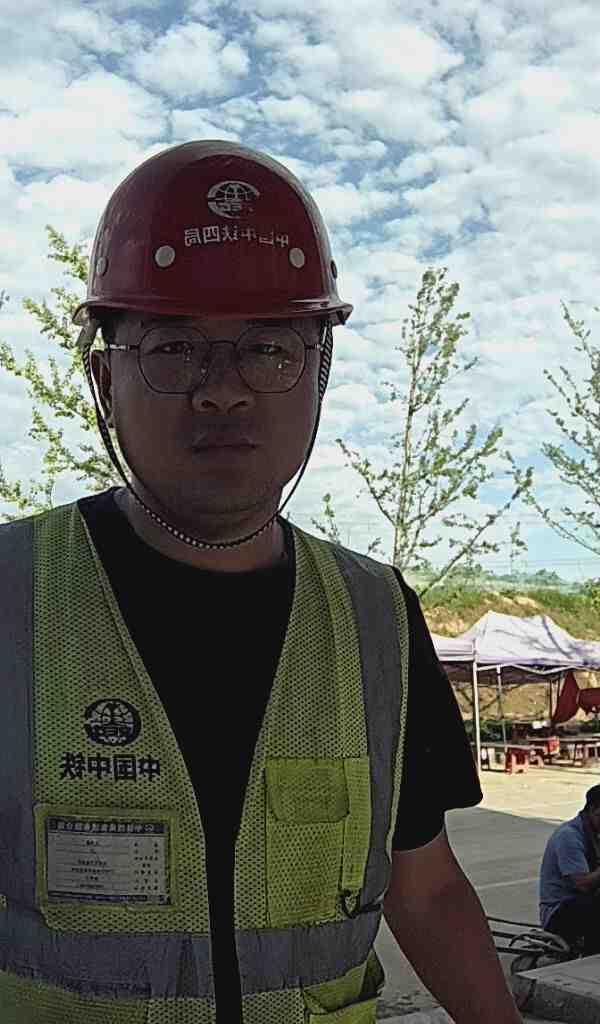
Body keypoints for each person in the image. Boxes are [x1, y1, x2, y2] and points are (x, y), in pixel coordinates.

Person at [0, 141, 521, 1023]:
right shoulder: (11, 597)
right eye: (173, 347)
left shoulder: (375, 617)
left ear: (319, 373)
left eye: (269, 348)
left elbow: (425, 886)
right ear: (104, 377)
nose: (223, 392)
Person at [540, 783, 600, 954]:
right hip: (559, 913)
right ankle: (591, 958)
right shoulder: (569, 836)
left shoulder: (594, 831)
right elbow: (583, 884)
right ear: (593, 810)